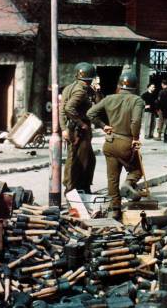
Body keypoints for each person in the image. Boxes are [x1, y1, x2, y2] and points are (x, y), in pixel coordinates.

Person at [87, 71, 145, 220]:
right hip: (126, 142)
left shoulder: (109, 99)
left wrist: (103, 125)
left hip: (110, 142)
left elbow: (90, 113)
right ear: (134, 87)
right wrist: (135, 138)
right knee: (137, 170)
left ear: (120, 86)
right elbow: (136, 121)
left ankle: (115, 210)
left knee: (112, 178)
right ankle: (128, 183)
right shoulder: (137, 100)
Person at [59, 62, 97, 194]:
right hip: (79, 130)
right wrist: (81, 123)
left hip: (72, 128)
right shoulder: (81, 91)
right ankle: (73, 189)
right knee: (78, 161)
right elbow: (69, 108)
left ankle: (80, 187)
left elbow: (62, 110)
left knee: (86, 159)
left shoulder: (69, 88)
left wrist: (64, 128)